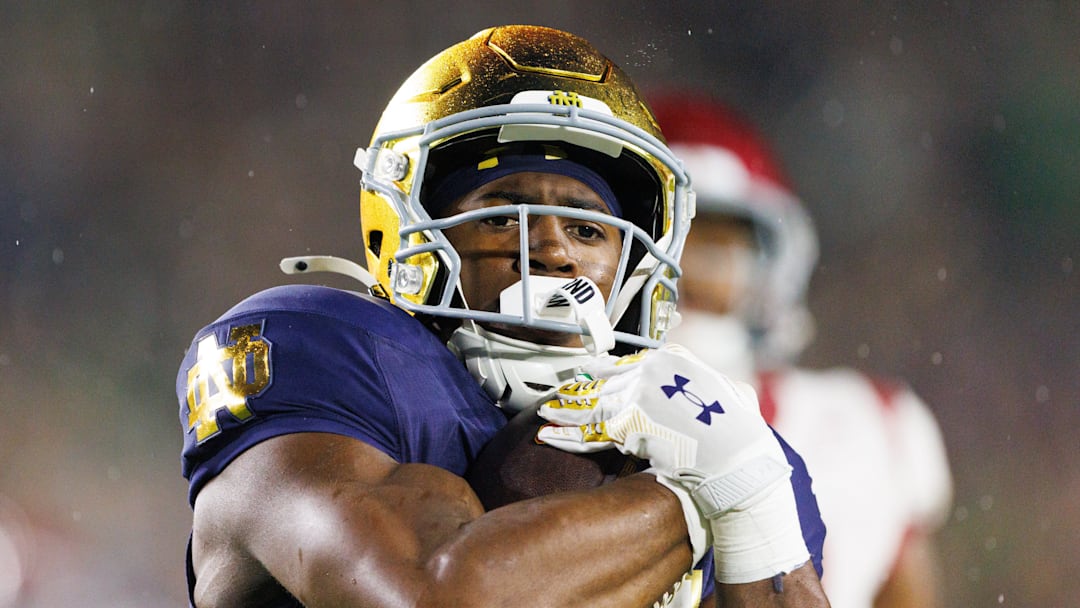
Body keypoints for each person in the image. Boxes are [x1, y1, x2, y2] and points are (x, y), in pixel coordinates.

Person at [176, 26, 831, 607]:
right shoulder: (331, 354)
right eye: (499, 215)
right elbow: (432, 598)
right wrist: (701, 493)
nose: (551, 250)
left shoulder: (729, 441)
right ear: (411, 233)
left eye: (586, 228)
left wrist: (740, 472)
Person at [651, 93, 954, 608]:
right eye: (666, 242)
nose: (690, 272)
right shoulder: (548, 405)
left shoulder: (866, 426)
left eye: (715, 242)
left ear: (769, 262)